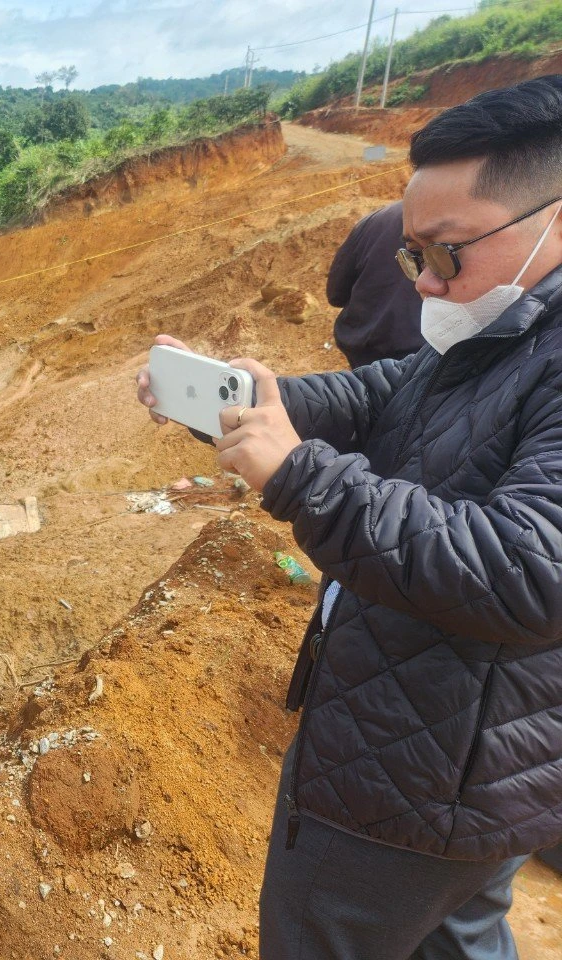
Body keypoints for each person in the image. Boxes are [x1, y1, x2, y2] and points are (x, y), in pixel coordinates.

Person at [137, 75, 562, 959]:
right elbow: (376, 393)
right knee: (462, 936)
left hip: (414, 780)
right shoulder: (504, 326)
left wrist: (297, 476)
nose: (427, 286)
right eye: (415, 259)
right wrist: (237, 397)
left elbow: (530, 567)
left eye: (447, 253)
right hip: (463, 764)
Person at [326, 200, 425, 367]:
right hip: (421, 352)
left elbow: (336, 295)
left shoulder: (374, 220)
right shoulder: (468, 222)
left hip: (363, 346)